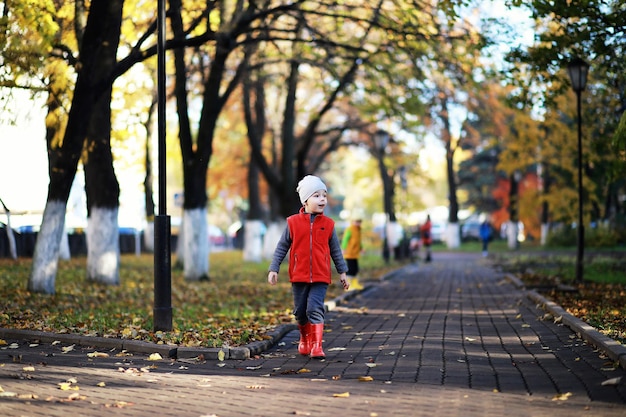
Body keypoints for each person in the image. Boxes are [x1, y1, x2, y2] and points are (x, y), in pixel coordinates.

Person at [267, 175, 349, 359]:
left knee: (314, 308)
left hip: (321, 276)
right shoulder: (292, 223)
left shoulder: (328, 225)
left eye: (324, 196)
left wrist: (342, 272)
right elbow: (282, 246)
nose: (322, 199)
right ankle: (305, 339)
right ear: (305, 201)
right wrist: (274, 268)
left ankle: (317, 346)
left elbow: (335, 250)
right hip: (299, 275)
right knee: (300, 312)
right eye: (316, 196)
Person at [341, 216, 363, 290]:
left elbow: (358, 241)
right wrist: (344, 249)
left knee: (355, 269)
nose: (357, 223)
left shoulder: (358, 230)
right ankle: (347, 286)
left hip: (355, 254)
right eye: (356, 222)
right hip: (349, 253)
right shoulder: (349, 229)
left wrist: (361, 248)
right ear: (352, 222)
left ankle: (355, 284)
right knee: (350, 270)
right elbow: (345, 240)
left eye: (359, 222)